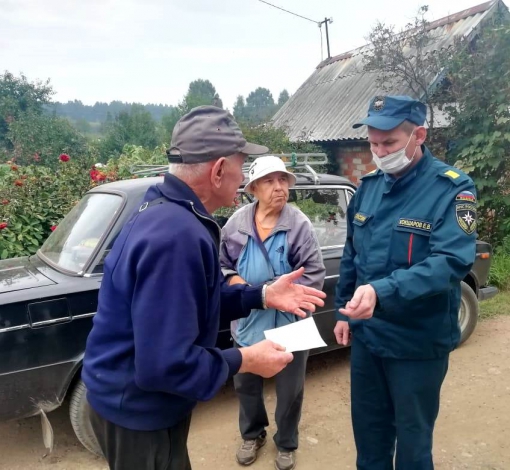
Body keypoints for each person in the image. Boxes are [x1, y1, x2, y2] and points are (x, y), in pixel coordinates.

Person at [82, 106, 327, 470]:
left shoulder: (166, 207)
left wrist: (261, 295)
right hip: (138, 411)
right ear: (217, 171)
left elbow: (199, 301)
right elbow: (164, 366)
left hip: (132, 401)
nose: (243, 177)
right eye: (242, 166)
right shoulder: (176, 236)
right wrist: (244, 359)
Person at [334, 95, 477, 470]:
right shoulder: (367, 187)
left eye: (390, 143)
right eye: (373, 143)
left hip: (417, 343)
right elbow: (353, 255)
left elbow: (450, 262)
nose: (379, 152)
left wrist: (382, 291)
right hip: (368, 338)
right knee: (370, 440)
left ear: (419, 135)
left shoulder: (451, 189)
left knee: (413, 448)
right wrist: (343, 312)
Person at [220, 155, 326, 470]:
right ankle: (253, 434)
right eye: (269, 181)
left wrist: (288, 295)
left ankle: (287, 442)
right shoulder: (236, 225)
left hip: (291, 324)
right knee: (246, 385)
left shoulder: (298, 224)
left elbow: (314, 272)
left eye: (282, 180)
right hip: (249, 322)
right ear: (253, 187)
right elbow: (221, 265)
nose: (279, 187)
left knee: (290, 391)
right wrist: (236, 283)